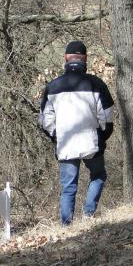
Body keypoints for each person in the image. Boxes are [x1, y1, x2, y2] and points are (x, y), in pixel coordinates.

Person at [39, 40, 114, 225]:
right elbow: (107, 116)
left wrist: (57, 135)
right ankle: (88, 214)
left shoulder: (52, 87)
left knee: (68, 188)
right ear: (85, 59)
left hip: (65, 143)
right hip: (91, 142)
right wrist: (101, 135)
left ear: (66, 58)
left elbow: (45, 120)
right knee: (98, 176)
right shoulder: (97, 84)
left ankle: (66, 227)